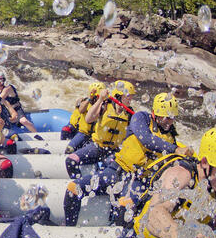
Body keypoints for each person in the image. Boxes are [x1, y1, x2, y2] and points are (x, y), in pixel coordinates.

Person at [106, 127, 216, 238]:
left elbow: (209, 221)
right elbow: (155, 214)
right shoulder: (181, 175)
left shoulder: (211, 187)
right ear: (204, 162)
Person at [64, 92, 194, 227]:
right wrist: (175, 149)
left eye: (172, 118)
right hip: (116, 170)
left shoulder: (172, 139)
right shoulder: (141, 118)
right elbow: (147, 139)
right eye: (166, 117)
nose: (169, 121)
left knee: (125, 207)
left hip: (139, 180)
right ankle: (69, 227)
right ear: (156, 112)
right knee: (73, 188)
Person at [65, 81, 135, 179]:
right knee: (70, 161)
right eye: (128, 96)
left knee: (108, 173)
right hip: (96, 147)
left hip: (112, 151)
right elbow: (88, 119)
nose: (130, 99)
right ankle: (78, 185)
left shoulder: (130, 114)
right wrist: (100, 99)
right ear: (119, 96)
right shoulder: (105, 106)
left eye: (131, 97)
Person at [64, 82, 106, 154]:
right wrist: (90, 98)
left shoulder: (105, 105)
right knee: (69, 149)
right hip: (83, 133)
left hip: (95, 136)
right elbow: (81, 110)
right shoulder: (85, 101)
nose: (96, 99)